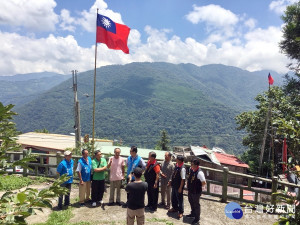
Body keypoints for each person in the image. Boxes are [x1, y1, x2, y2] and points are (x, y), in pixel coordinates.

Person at [186, 158, 206, 225]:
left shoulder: (199, 172)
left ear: (196, 165)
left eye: (192, 164)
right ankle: (193, 214)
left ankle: (197, 219)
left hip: (196, 192)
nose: (191, 165)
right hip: (191, 190)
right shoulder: (192, 170)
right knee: (191, 202)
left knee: (196, 204)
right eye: (191, 164)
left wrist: (198, 187)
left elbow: (204, 182)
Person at [168, 155, 186, 219]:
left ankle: (181, 211)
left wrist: (180, 188)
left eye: (177, 159)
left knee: (180, 199)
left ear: (180, 161)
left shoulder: (182, 168)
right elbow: (173, 173)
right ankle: (175, 208)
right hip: (174, 184)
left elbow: (183, 179)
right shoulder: (177, 165)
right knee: (174, 197)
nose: (176, 160)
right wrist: (170, 181)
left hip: (179, 186)